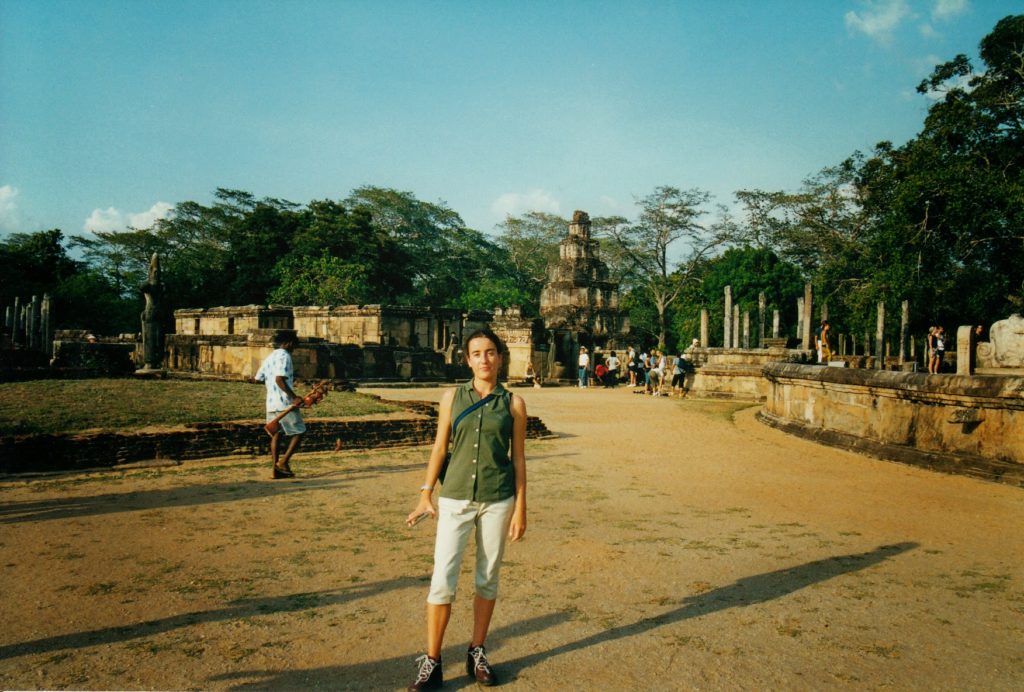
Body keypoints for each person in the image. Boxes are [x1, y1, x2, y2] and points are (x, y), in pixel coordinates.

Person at [406, 329, 527, 691]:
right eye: (477, 354)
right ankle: (432, 660)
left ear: (500, 358)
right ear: (467, 359)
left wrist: (521, 507)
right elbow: (440, 447)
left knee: (487, 578)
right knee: (442, 580)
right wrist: (426, 493)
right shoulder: (451, 398)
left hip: (497, 498)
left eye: (490, 352)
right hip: (455, 497)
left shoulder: (514, 403)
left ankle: (476, 650)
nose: (484, 359)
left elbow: (518, 458)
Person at [254, 329, 305, 479]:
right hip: (285, 403)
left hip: (271, 403)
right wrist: (294, 397)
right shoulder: (285, 356)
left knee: (277, 435)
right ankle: (283, 462)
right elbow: (279, 379)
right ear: (289, 343)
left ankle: (275, 469)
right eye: (294, 346)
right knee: (299, 432)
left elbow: (258, 377)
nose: (294, 349)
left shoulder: (270, 356)